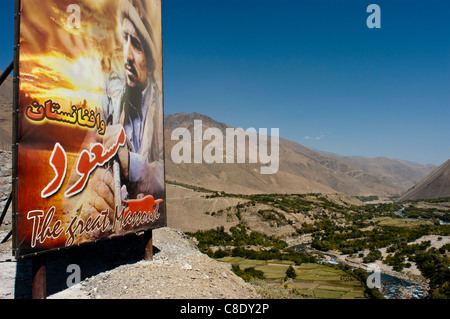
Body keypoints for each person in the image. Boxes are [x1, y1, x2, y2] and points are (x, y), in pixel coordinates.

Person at [63, 0, 164, 241]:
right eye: (125, 39)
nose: (127, 55)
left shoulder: (156, 103)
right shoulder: (110, 94)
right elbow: (82, 159)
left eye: (137, 45)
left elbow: (161, 177)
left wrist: (131, 164)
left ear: (149, 63)